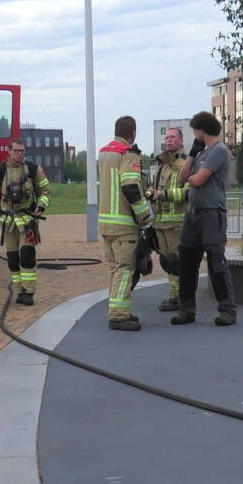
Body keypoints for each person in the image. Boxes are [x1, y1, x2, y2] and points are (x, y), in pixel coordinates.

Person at [172, 111, 237, 326]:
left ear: (201, 130)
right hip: (194, 215)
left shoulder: (219, 151)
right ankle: (186, 310)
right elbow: (182, 179)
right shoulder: (201, 153)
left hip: (212, 214)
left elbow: (197, 181)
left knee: (216, 263)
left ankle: (227, 310)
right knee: (187, 263)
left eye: (195, 131)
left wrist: (191, 177)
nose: (194, 135)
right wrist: (192, 154)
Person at [98, 116, 153, 331]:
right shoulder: (128, 154)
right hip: (124, 226)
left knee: (114, 270)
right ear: (133, 133)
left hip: (106, 225)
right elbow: (130, 187)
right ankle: (119, 316)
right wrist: (145, 217)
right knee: (125, 270)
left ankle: (118, 310)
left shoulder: (104, 153)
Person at [0, 139, 51, 305]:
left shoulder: (34, 170)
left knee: (27, 255)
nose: (20, 154)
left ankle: (29, 292)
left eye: (22, 151)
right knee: (12, 258)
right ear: (9, 151)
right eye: (17, 151)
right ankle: (18, 291)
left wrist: (41, 206)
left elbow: (46, 191)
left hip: (27, 221)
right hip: (8, 221)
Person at [148, 127, 189, 311]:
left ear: (181, 141)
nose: (168, 140)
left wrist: (164, 194)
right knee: (167, 262)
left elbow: (189, 192)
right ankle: (174, 297)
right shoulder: (163, 163)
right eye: (167, 137)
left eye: (173, 137)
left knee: (176, 261)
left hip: (176, 224)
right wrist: (150, 192)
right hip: (160, 223)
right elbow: (153, 185)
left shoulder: (186, 164)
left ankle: (179, 298)